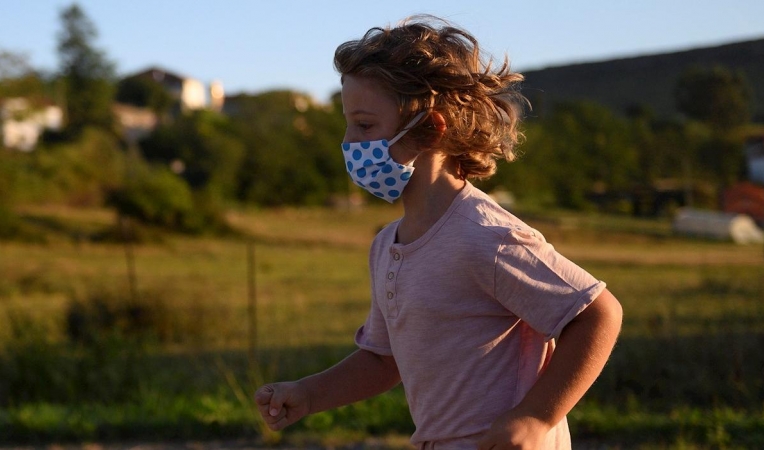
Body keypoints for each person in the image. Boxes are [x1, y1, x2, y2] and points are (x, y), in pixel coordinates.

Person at [255, 15, 623, 450]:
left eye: (365, 126)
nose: (349, 142)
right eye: (349, 125)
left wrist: (535, 418)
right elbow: (381, 359)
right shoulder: (385, 245)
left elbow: (597, 314)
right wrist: (309, 393)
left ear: (429, 128)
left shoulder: (486, 237)